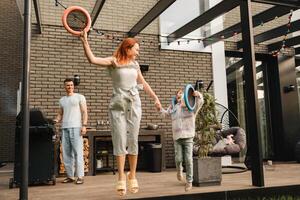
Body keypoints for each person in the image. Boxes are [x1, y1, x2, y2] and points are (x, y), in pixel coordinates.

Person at [80, 30, 162, 196]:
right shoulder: (113, 61)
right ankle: (121, 177)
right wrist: (85, 41)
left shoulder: (135, 65)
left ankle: (132, 174)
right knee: (119, 140)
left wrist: (155, 98)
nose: (138, 52)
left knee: (133, 140)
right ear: (128, 48)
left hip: (134, 103)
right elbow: (93, 59)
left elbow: (143, 83)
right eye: (136, 49)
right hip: (118, 105)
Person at [161, 88, 203, 191]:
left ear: (185, 96)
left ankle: (189, 181)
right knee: (178, 158)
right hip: (177, 137)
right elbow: (166, 114)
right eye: (177, 94)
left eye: (181, 93)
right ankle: (179, 170)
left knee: (188, 160)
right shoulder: (174, 107)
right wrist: (159, 108)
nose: (179, 95)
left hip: (188, 136)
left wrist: (198, 95)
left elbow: (200, 102)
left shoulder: (191, 106)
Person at [54, 78, 88, 184]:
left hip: (76, 127)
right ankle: (70, 176)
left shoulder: (79, 97)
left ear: (74, 86)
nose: (70, 87)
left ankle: (80, 176)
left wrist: (84, 125)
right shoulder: (62, 100)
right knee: (66, 153)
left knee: (78, 152)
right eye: (68, 85)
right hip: (65, 128)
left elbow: (84, 112)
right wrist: (56, 120)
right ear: (65, 87)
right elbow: (60, 113)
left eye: (71, 85)